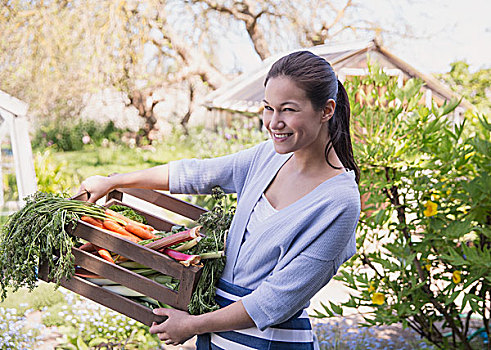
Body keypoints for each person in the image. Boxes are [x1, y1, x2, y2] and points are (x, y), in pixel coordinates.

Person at [78, 51, 361, 349]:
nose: (274, 122)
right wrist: (114, 180)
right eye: (268, 108)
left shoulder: (339, 201)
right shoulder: (266, 157)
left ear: (327, 110)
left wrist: (192, 325)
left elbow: (277, 300)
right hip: (217, 337)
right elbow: (197, 173)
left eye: (288, 110)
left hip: (269, 342)